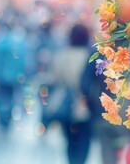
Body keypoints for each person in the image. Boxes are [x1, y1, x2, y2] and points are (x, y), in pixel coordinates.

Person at [44, 24, 92, 164]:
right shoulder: (90, 56)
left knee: (70, 141)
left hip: (66, 105)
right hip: (84, 105)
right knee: (84, 140)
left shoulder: (61, 55)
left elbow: (55, 78)